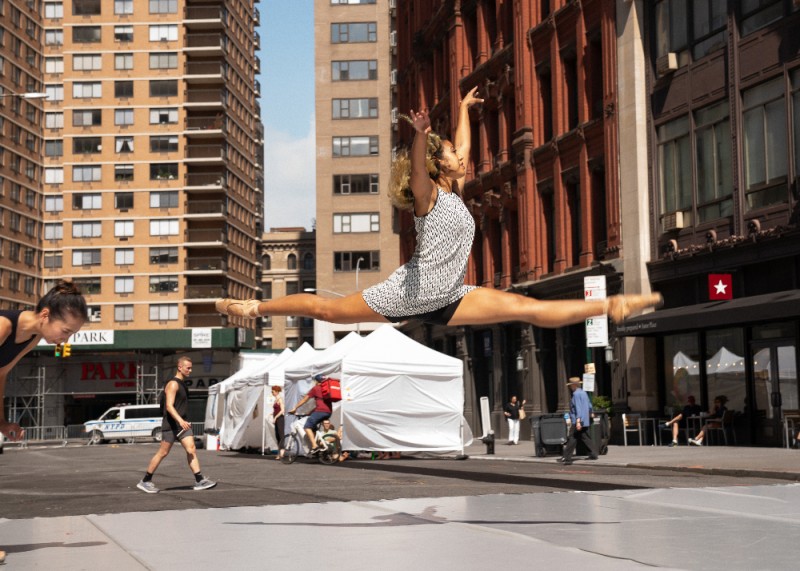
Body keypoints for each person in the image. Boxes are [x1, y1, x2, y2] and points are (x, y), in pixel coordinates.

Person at [215, 87, 661, 330]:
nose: (459, 156)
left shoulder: (456, 188)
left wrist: (464, 109)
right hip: (407, 292)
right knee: (326, 311)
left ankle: (612, 305)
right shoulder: (428, 199)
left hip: (448, 296)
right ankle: (253, 309)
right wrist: (421, 134)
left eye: (453, 153)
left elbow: (464, 146)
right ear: (435, 164)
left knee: (527, 308)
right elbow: (418, 169)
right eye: (448, 154)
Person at [0, 280, 88, 567]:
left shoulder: (32, 338)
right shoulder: (4, 327)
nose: (66, 340)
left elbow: (0, 375)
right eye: (66, 332)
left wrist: (1, 422)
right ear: (46, 315)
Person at [137, 356, 216, 493]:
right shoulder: (173, 384)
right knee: (163, 453)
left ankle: (199, 480)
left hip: (182, 424)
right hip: (171, 424)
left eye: (191, 368)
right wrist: (180, 420)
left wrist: (183, 421)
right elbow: (169, 406)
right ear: (180, 367)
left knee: (191, 449)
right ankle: (145, 481)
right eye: (188, 368)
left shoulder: (183, 383)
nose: (190, 370)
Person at [288, 374, 332, 454]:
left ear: (316, 381)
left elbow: (304, 400)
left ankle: (315, 446)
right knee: (313, 427)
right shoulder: (327, 389)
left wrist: (295, 408)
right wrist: (310, 413)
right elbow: (322, 404)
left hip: (320, 412)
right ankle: (319, 445)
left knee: (307, 426)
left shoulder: (316, 388)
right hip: (328, 412)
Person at [559, 377, 598, 465]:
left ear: (573, 385)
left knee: (572, 438)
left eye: (570, 386)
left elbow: (578, 409)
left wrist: (578, 421)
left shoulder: (576, 394)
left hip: (577, 420)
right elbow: (589, 405)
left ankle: (567, 457)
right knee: (585, 437)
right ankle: (593, 453)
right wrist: (590, 413)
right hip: (585, 420)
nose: (569, 387)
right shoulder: (584, 393)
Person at [271, 385, 285, 460]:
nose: (272, 393)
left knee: (281, 434)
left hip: (280, 419)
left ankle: (282, 451)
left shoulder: (280, 399)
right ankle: (279, 452)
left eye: (273, 391)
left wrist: (276, 417)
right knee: (277, 435)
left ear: (276, 392)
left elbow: (282, 410)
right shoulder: (275, 399)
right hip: (276, 419)